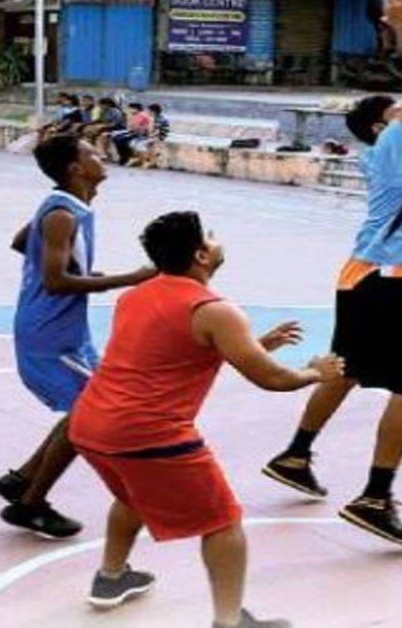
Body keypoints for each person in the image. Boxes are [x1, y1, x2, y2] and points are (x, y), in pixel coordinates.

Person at [68, 211, 344, 628]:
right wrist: (315, 372)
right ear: (200, 254)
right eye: (210, 238)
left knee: (131, 497)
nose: (216, 242)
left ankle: (111, 578)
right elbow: (271, 378)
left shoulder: (136, 295)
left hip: (90, 426)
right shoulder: (215, 310)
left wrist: (255, 343)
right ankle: (229, 622)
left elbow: (173, 347)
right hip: (150, 433)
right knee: (223, 522)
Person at [261, 0, 402, 547]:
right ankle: (376, 495)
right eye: (398, 110)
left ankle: (296, 456)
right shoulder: (394, 148)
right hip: (386, 282)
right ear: (382, 125)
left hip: (368, 277)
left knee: (347, 368)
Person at [0, 133, 156, 539]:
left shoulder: (63, 208)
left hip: (64, 332)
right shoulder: (62, 215)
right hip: (50, 335)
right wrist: (128, 279)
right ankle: (30, 503)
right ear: (75, 169)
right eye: (91, 152)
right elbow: (55, 282)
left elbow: (20, 243)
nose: (101, 156)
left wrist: (79, 271)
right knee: (91, 412)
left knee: (87, 408)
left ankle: (23, 479)